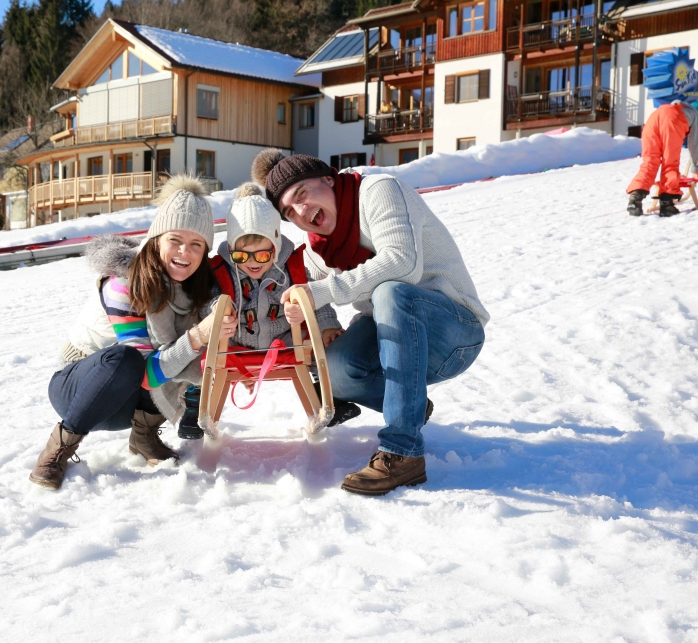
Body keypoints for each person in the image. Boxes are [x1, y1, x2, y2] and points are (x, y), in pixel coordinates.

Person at [251, 149, 489, 496]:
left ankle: (402, 451)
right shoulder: (320, 248)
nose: (301, 211)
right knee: (334, 369)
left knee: (392, 291)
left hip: (454, 333)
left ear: (328, 179)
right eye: (289, 211)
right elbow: (311, 289)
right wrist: (327, 319)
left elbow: (402, 263)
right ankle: (412, 407)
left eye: (302, 195)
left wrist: (321, 293)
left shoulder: (379, 191)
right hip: (397, 337)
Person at [29, 174, 237, 489]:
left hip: (125, 401)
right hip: (78, 391)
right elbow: (145, 372)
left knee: (175, 352)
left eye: (196, 244)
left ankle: (144, 437)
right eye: (175, 240)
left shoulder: (194, 290)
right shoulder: (122, 282)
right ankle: (57, 449)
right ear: (156, 238)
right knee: (129, 358)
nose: (185, 251)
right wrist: (197, 338)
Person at [207, 181, 360, 427]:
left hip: (285, 340)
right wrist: (217, 309)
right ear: (232, 249)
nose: (252, 263)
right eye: (241, 256)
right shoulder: (222, 269)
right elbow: (208, 298)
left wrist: (326, 327)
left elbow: (315, 299)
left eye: (263, 255)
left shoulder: (291, 267)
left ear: (276, 246)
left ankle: (328, 395)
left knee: (318, 349)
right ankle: (196, 405)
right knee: (205, 353)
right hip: (237, 342)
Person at [627, 100, 698, 217]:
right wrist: (696, 168)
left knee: (649, 161)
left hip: (652, 119)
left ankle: (635, 199)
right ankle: (667, 202)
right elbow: (695, 145)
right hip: (671, 121)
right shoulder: (695, 114)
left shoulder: (677, 106)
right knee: (670, 162)